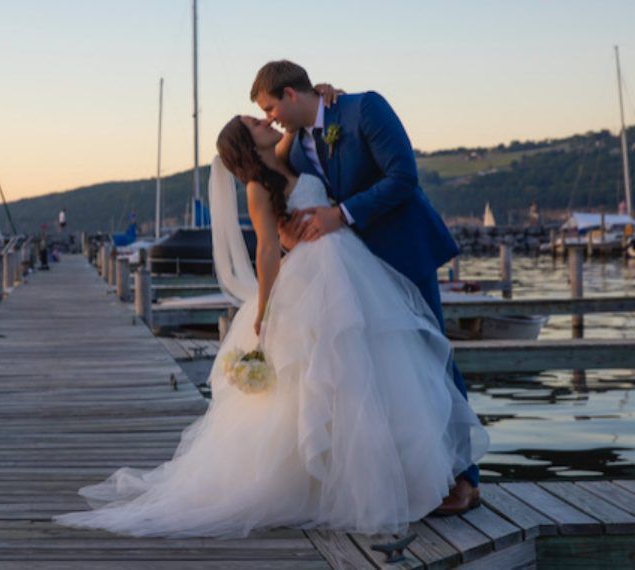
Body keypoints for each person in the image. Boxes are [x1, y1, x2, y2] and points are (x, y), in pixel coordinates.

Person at [53, 112, 488, 538]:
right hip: (312, 278)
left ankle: (393, 472)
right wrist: (265, 308)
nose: (266, 121)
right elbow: (265, 250)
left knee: (371, 370)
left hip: (349, 269)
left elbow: (303, 118)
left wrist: (325, 94)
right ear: (247, 143)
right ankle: (324, 484)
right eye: (255, 123)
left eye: (263, 115)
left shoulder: (288, 153)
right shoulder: (259, 187)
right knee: (320, 375)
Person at [252, 61, 480, 514]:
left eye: (271, 105)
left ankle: (466, 479)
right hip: (357, 268)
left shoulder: (363, 110)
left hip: (403, 249)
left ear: (291, 94)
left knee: (433, 355)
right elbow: (267, 173)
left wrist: (341, 215)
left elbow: (403, 177)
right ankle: (413, 471)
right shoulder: (295, 145)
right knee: (390, 369)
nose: (270, 115)